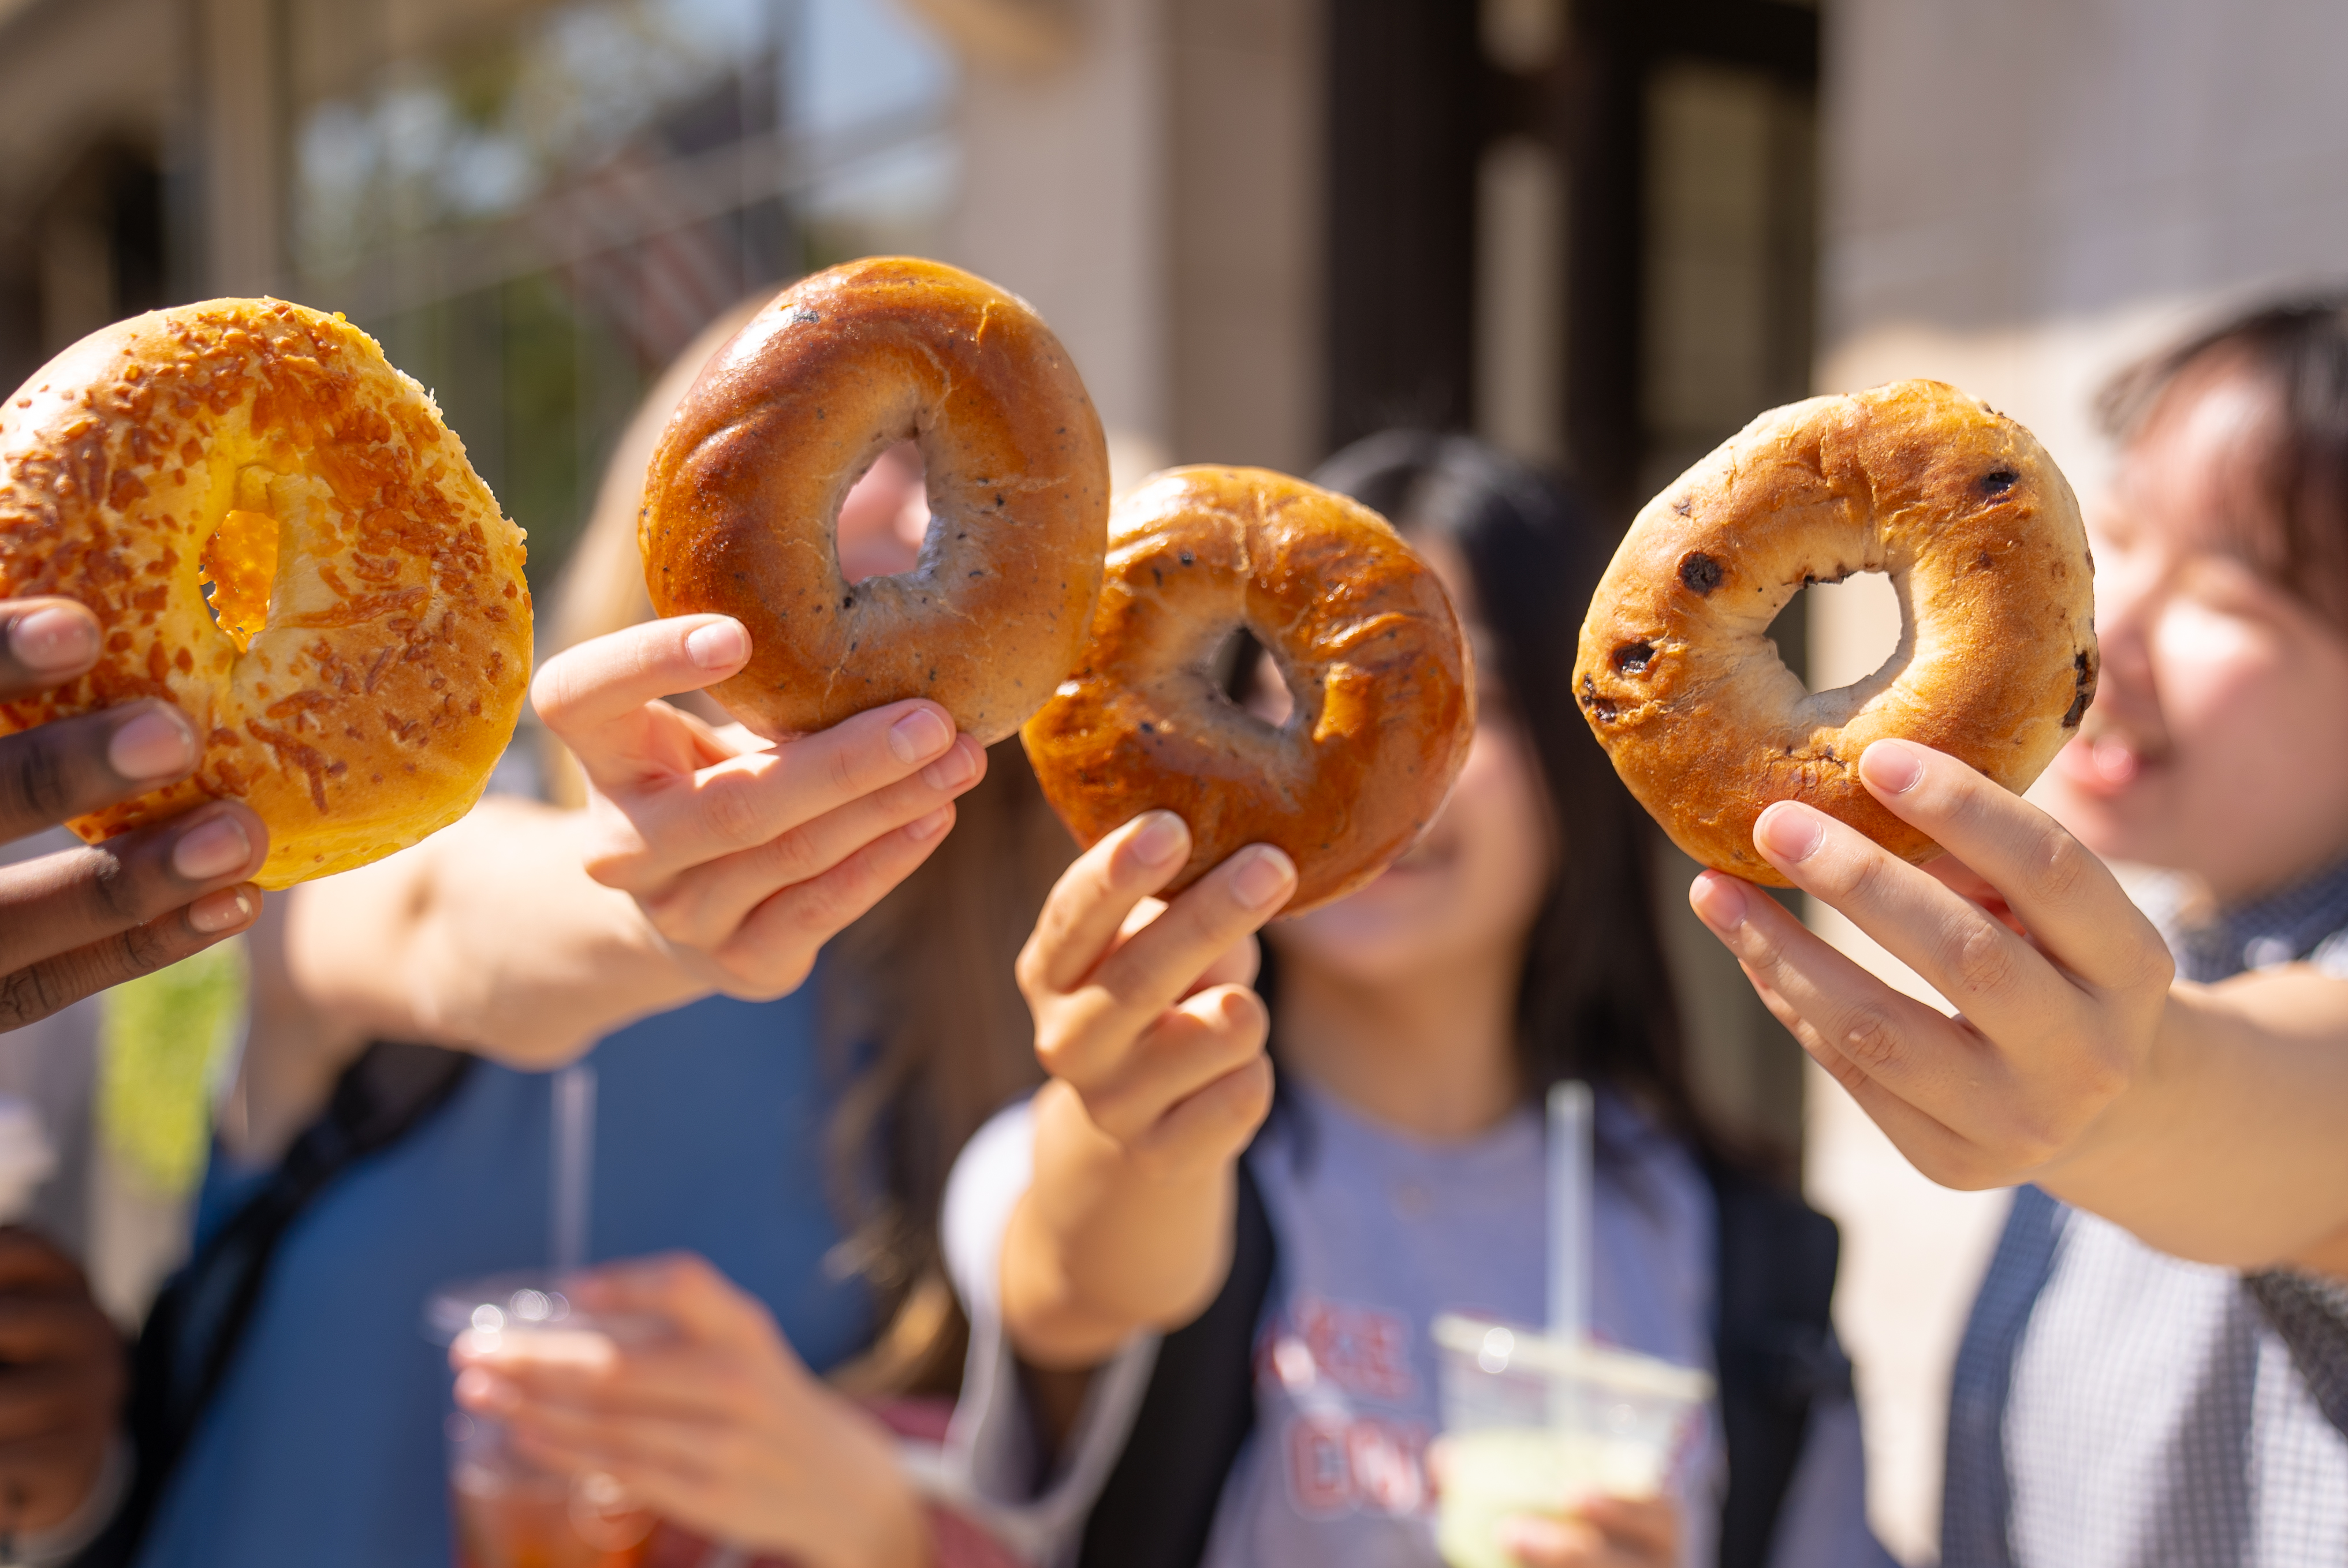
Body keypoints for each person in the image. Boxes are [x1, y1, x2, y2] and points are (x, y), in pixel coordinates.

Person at [80, 296, 1066, 1568]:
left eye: (937, 466)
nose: (899, 513)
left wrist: (867, 1510)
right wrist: (655, 902)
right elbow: (437, 925)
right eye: (855, 444)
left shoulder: (959, 1034)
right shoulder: (417, 829)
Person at [941, 436, 1894, 1568]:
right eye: (1282, 685)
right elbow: (1080, 1274)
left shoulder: (1736, 1246)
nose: (1365, 742)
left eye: (1469, 695)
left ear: (1586, 746)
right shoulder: (1141, 1140)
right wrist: (1124, 1107)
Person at [1679, 298, 2348, 1564]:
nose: (2112, 621)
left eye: (2234, 592)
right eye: (2127, 532)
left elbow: (2297, 1104)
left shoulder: (2128, 1017)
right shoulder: (2160, 953)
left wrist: (2123, 1097)